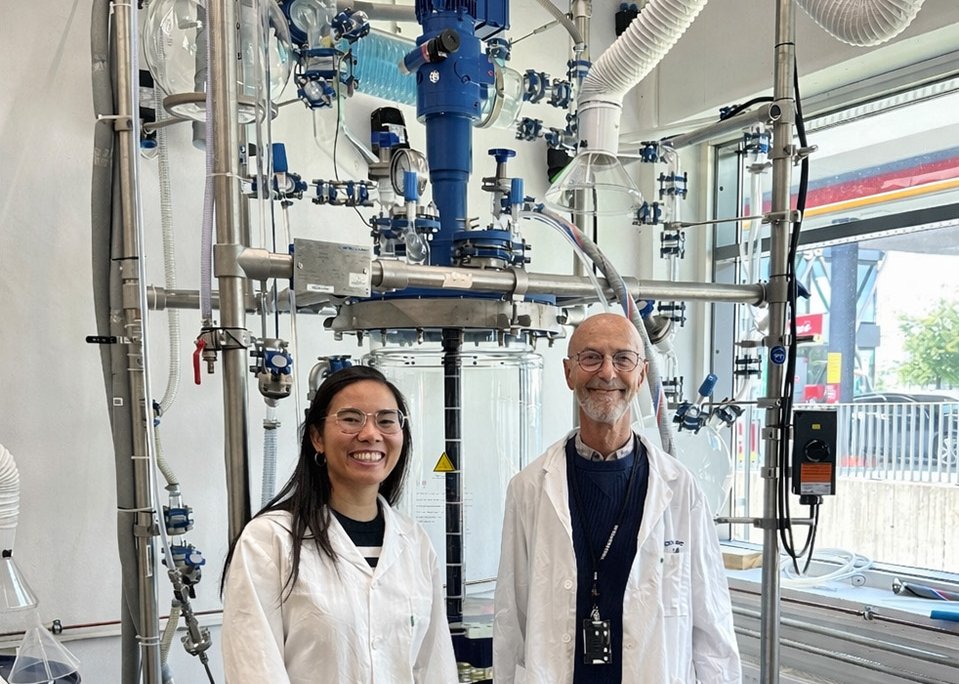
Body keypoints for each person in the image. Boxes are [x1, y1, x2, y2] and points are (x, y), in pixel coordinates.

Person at [493, 313, 741, 683]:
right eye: (591, 357)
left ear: (640, 375)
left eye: (623, 358)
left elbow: (712, 624)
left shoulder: (680, 489)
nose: (607, 372)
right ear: (569, 372)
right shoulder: (529, 488)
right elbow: (511, 620)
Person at [221, 365, 457, 683]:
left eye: (386, 421)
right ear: (317, 437)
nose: (371, 434)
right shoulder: (269, 540)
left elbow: (435, 666)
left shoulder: (414, 542)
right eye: (351, 419)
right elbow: (255, 668)